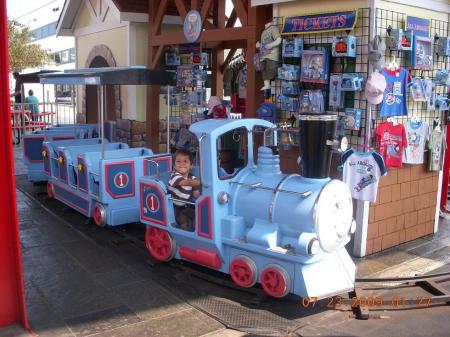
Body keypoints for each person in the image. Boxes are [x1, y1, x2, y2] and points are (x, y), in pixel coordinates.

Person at [168, 149, 201, 231]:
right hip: (174, 207)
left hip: (185, 205)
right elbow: (185, 182)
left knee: (197, 216)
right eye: (178, 162)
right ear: (174, 165)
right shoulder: (174, 176)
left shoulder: (192, 177)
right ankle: (183, 234)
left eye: (185, 161)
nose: (182, 164)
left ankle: (195, 231)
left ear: (191, 165)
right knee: (183, 221)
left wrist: (201, 199)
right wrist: (201, 182)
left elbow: (196, 193)